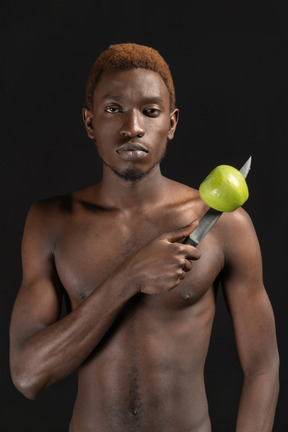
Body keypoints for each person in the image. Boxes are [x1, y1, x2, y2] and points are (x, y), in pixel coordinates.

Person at [9, 43, 279, 432]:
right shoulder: (50, 222)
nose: (132, 126)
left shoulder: (225, 223)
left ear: (170, 123)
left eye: (150, 112)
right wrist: (128, 278)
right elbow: (28, 375)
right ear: (89, 122)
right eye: (114, 109)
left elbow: (262, 366)